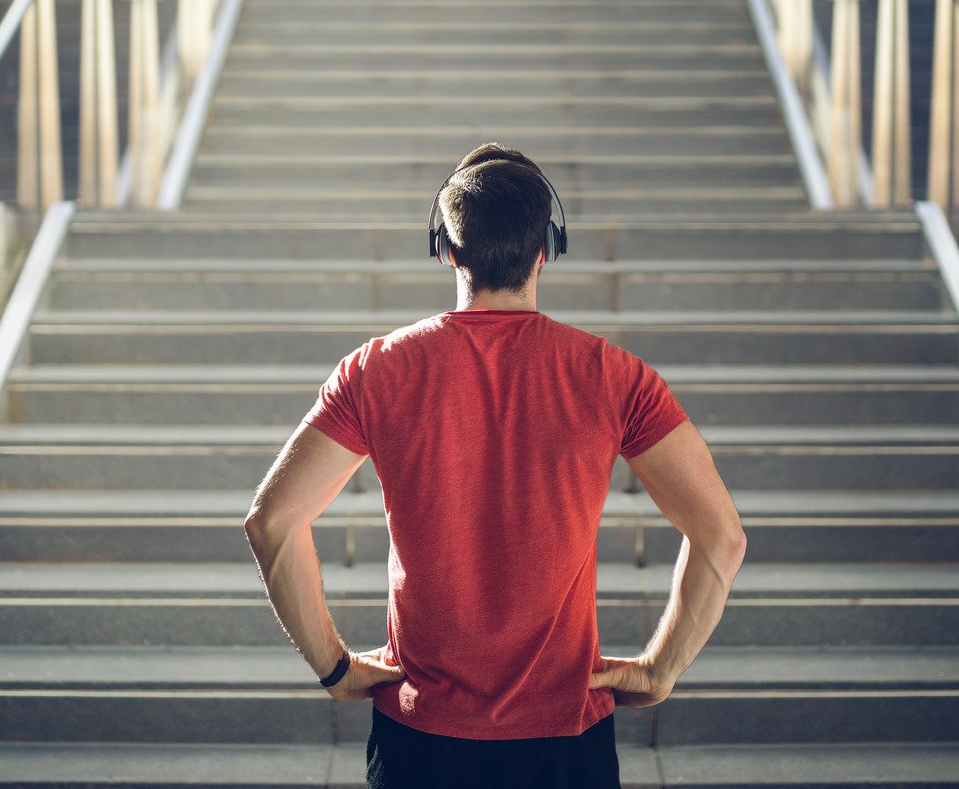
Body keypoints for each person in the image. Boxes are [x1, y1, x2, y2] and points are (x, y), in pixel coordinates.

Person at [244, 143, 747, 789]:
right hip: (567, 741)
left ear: (446, 249)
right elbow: (722, 537)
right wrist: (659, 668)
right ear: (548, 249)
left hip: (423, 739)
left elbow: (271, 523)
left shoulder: (377, 371)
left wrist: (335, 667)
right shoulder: (614, 377)